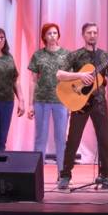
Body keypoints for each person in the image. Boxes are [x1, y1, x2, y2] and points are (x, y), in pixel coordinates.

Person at [55, 23, 108, 189]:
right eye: (89, 32)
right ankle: (65, 175)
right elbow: (59, 74)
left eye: (95, 32)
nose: (92, 35)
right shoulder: (76, 55)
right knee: (73, 139)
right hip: (79, 102)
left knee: (104, 140)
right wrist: (80, 75)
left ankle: (106, 176)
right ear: (83, 34)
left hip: (99, 102)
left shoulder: (104, 56)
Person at [27, 23, 69, 172]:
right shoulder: (38, 55)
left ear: (59, 35)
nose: (52, 36)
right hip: (41, 100)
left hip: (61, 100)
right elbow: (32, 80)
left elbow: (71, 78)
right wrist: (30, 104)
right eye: (49, 33)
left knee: (61, 139)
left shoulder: (66, 55)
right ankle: (37, 174)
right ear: (44, 36)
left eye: (55, 33)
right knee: (40, 139)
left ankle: (62, 174)